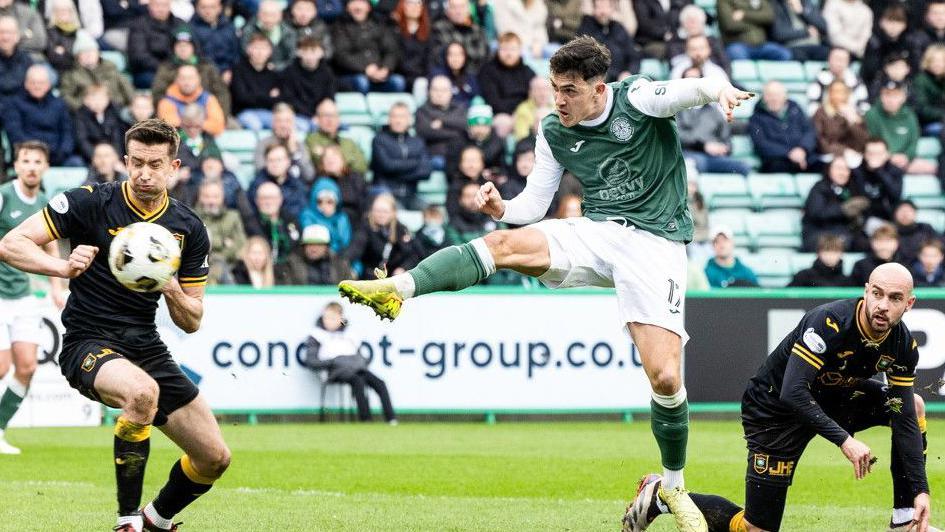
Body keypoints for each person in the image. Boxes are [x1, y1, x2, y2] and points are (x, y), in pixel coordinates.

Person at [339, 36, 752, 532]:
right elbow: (532, 207)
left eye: (570, 90)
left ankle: (671, 486)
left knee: (664, 378)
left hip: (656, 244)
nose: (558, 99)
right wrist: (502, 209)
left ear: (599, 90)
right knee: (502, 243)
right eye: (555, 88)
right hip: (598, 232)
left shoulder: (638, 100)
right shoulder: (554, 128)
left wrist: (722, 90)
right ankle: (400, 289)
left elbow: (698, 87)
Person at [0, 119, 230, 531]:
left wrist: (171, 287)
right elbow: (10, 243)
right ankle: (126, 523)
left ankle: (155, 522)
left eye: (155, 165)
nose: (144, 173)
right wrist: (61, 266)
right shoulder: (90, 202)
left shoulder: (188, 228)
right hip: (87, 342)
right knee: (142, 393)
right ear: (125, 161)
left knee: (214, 457)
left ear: (174, 167)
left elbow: (193, 320)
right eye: (136, 163)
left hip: (146, 345)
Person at [624, 263, 930, 532]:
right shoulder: (829, 323)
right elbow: (793, 392)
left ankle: (904, 519)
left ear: (909, 303)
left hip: (834, 399)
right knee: (755, 528)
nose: (883, 305)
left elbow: (902, 415)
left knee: (911, 406)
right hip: (776, 409)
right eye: (877, 294)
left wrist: (920, 489)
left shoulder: (903, 345)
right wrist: (845, 441)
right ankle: (660, 495)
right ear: (866, 292)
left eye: (895, 298)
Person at [0, 142, 65, 455]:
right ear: (17, 164)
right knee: (1, 367)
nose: (31, 167)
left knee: (26, 366)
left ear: (45, 167)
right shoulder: (4, 195)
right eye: (25, 160)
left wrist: (56, 286)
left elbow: (51, 246)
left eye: (37, 161)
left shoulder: (43, 203)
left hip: (23, 295)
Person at [305, 302, 396, 422]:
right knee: (359, 381)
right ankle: (366, 419)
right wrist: (334, 362)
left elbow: (361, 356)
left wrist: (359, 362)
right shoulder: (316, 335)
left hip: (356, 368)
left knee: (380, 383)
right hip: (334, 371)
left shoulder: (350, 335)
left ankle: (391, 419)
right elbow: (311, 361)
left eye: (332, 318)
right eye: (326, 317)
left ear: (341, 319)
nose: (328, 321)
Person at [675, 67, 750, 175]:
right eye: (688, 80)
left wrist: (723, 148)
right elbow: (677, 136)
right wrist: (703, 145)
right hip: (688, 154)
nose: (692, 83)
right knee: (696, 164)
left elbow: (726, 140)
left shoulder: (714, 112)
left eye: (696, 79)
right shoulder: (676, 110)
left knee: (743, 167)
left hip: (714, 157)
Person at [3, 64, 81, 167]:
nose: (37, 86)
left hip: (57, 155)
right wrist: (37, 152)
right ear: (26, 84)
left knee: (76, 163)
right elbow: (15, 133)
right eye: (33, 82)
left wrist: (62, 153)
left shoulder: (59, 104)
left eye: (41, 83)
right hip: (29, 155)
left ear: (48, 85)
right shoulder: (14, 104)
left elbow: (67, 132)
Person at [344, 193, 422, 280]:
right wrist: (345, 261)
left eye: (385, 211)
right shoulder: (365, 228)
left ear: (393, 213)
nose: (381, 215)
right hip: (370, 277)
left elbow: (413, 255)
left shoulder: (401, 230)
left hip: (395, 278)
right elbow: (355, 248)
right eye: (378, 211)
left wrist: (403, 268)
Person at [331, 0, 403, 94]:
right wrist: (365, 68)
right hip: (352, 75)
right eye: (354, 2)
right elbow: (341, 55)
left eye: (362, 2)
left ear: (369, 7)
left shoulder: (379, 25)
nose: (358, 7)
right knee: (361, 82)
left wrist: (385, 68)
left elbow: (391, 50)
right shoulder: (340, 26)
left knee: (398, 82)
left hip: (380, 73)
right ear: (347, 8)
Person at [371, 101, 432, 209]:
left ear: (409, 120)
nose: (398, 121)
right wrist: (415, 163)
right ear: (389, 119)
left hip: (411, 195)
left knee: (434, 213)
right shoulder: (379, 140)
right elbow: (387, 166)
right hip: (387, 194)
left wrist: (394, 175)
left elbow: (426, 171)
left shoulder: (418, 142)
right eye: (394, 116)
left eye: (402, 117)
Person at [750, 80, 818, 173]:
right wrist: (789, 153)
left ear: (785, 96)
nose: (774, 98)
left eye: (777, 95)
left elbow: (809, 132)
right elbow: (761, 144)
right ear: (764, 97)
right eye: (769, 95)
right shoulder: (756, 118)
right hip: (777, 160)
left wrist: (802, 149)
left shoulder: (796, 109)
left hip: (803, 156)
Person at [801, 157, 868, 251]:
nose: (842, 173)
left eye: (846, 169)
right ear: (829, 170)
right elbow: (816, 213)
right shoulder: (819, 188)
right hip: (819, 235)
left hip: (845, 235)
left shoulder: (853, 189)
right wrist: (843, 209)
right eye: (838, 168)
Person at [59, 30, 135, 112]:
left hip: (116, 109)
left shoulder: (111, 68)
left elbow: (126, 88)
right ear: (77, 57)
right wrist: (81, 106)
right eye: (84, 53)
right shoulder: (71, 74)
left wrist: (132, 103)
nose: (88, 55)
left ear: (98, 53)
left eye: (91, 51)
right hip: (86, 114)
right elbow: (65, 96)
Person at [865, 81, 925, 174]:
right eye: (887, 95)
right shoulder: (872, 114)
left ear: (903, 97)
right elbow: (872, 140)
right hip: (881, 159)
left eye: (895, 95)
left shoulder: (910, 115)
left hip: (905, 160)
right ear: (881, 96)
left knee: (933, 168)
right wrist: (889, 156)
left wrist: (906, 156)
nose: (891, 99)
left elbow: (913, 141)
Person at [194, 178, 245, 285]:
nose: (211, 201)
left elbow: (240, 247)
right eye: (207, 196)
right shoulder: (191, 217)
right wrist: (222, 242)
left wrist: (216, 254)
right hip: (196, 268)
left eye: (215, 197)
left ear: (222, 197)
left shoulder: (233, 217)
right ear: (200, 197)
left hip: (229, 268)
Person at [576, 0, 639, 82]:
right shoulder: (586, 27)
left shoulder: (619, 28)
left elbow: (633, 56)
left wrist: (629, 72)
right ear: (594, 10)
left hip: (622, 78)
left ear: (612, 9)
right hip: (599, 79)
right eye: (599, 7)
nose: (603, 12)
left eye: (606, 7)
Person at [156, 64, 226, 137]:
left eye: (191, 78)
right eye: (183, 78)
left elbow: (218, 126)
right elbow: (169, 127)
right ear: (176, 80)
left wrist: (192, 125)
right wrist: (198, 125)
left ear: (198, 79)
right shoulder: (167, 101)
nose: (187, 82)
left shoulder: (208, 99)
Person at [415, 74, 469, 170]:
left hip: (461, 154)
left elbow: (465, 124)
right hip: (437, 155)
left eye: (444, 90)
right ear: (429, 92)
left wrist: (442, 121)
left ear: (451, 92)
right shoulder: (422, 110)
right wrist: (456, 131)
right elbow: (426, 132)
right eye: (435, 90)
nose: (439, 94)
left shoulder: (460, 107)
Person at [127, 0, 184, 89]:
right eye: (157, 5)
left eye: (164, 5)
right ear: (149, 6)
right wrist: (164, 68)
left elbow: (192, 48)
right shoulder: (138, 25)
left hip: (177, 68)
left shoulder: (180, 24)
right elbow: (138, 56)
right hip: (148, 71)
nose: (161, 9)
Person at [279, 36, 336, 124]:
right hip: (298, 115)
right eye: (306, 51)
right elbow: (289, 99)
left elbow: (329, 97)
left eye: (313, 51)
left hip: (320, 116)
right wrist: (310, 116)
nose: (310, 56)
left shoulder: (327, 73)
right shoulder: (289, 72)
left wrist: (320, 116)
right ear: (299, 52)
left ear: (321, 53)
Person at [254, 103, 316, 184]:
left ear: (293, 123)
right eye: (279, 121)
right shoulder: (263, 144)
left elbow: (309, 175)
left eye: (287, 121)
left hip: (296, 191)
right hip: (272, 188)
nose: (283, 125)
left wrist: (294, 152)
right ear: (273, 123)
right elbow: (260, 171)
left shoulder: (300, 145)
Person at [477, 32, 536, 116]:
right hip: (499, 114)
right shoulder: (487, 71)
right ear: (498, 50)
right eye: (504, 49)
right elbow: (493, 102)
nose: (509, 54)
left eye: (513, 49)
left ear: (520, 51)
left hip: (526, 113)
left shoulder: (528, 72)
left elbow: (536, 99)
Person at [230, 33, 280, 131]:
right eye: (256, 48)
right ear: (249, 49)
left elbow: (278, 99)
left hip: (268, 113)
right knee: (255, 125)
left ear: (270, 52)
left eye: (263, 48)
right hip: (245, 112)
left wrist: (254, 95)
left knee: (281, 124)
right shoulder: (238, 70)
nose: (260, 52)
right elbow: (241, 97)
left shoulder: (273, 74)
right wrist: (267, 97)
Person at [305, 98, 369, 175]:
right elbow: (317, 161)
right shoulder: (311, 139)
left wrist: (331, 159)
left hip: (349, 182)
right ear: (317, 119)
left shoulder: (349, 142)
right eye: (326, 115)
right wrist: (348, 160)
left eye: (333, 116)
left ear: (339, 119)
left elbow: (362, 166)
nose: (330, 120)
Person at [812, 79, 869, 162]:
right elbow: (819, 140)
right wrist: (843, 151)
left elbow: (863, 140)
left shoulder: (854, 112)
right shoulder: (821, 113)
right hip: (830, 155)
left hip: (854, 156)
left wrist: (852, 121)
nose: (838, 95)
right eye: (835, 91)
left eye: (842, 92)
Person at [851, 138, 904, 226]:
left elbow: (896, 195)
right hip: (864, 218)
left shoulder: (895, 171)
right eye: (871, 153)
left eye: (879, 153)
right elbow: (858, 197)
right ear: (864, 154)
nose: (875, 157)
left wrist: (879, 171)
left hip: (888, 217)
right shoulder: (856, 173)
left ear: (887, 154)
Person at [718, 0, 791, 61]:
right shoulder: (724, 1)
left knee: (784, 54)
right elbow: (729, 25)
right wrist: (758, 23)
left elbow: (769, 16)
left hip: (761, 45)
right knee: (736, 55)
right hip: (738, 45)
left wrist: (744, 15)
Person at [74, 83, 128, 164]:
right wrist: (98, 158)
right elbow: (82, 141)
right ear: (86, 100)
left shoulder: (114, 113)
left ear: (108, 99)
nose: (97, 103)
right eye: (93, 99)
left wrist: (114, 159)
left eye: (101, 99)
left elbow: (118, 140)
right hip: (89, 157)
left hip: (113, 157)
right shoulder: (80, 115)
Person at [430, 0, 489, 71]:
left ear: (469, 10)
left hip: (475, 77)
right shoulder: (438, 30)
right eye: (454, 7)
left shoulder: (478, 31)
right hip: (447, 76)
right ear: (447, 11)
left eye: (462, 7)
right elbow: (437, 59)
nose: (458, 12)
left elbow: (485, 59)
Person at [284, 224, 351, 285]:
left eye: (318, 244)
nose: (313, 249)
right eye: (310, 244)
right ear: (303, 246)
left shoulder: (340, 264)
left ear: (326, 247)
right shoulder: (291, 264)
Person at [299, 177, 352, 253]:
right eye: (320, 201)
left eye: (329, 201)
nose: (325, 205)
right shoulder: (307, 216)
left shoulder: (342, 218)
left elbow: (346, 243)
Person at [239, 0, 296, 69]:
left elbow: (291, 58)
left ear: (280, 16)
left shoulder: (288, 33)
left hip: (280, 73)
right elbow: (244, 53)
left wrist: (276, 67)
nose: (269, 19)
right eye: (265, 14)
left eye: (273, 15)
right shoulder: (249, 30)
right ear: (258, 14)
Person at [190, 0, 239, 78]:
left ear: (220, 8)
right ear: (197, 8)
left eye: (212, 7)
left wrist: (230, 71)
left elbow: (236, 54)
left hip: (228, 74)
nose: (208, 11)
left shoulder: (229, 27)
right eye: (203, 7)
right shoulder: (191, 29)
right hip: (203, 74)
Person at [893, 200, 941, 265]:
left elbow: (939, 245)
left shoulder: (925, 228)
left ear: (915, 213)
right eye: (901, 211)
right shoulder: (891, 232)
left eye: (908, 211)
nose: (905, 214)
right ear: (895, 214)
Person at [912, 44, 945, 136]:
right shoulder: (920, 80)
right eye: (933, 60)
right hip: (928, 123)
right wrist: (942, 114)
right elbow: (922, 109)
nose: (937, 64)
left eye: (941, 61)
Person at [513, 76, 554, 141]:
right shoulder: (523, 110)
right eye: (538, 90)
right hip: (532, 144)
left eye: (546, 89)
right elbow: (522, 137)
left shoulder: (556, 107)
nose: (543, 94)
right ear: (531, 92)